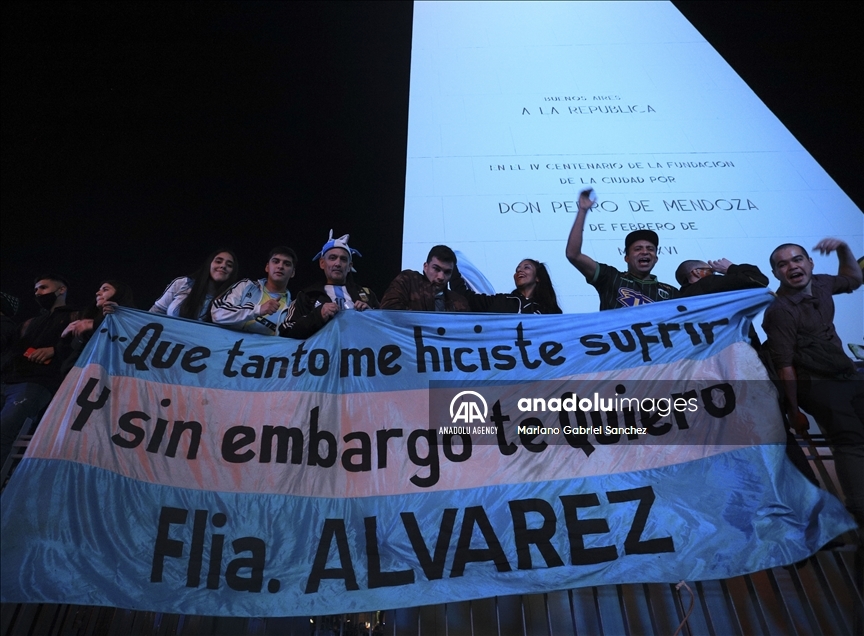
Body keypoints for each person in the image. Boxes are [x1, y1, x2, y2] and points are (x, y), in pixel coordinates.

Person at [762, 238, 863, 526]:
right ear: (776, 274)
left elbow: (854, 279)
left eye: (797, 259)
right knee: (850, 442)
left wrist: (844, 248)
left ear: (810, 263)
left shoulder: (822, 283)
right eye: (782, 264)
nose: (792, 266)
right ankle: (859, 509)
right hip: (816, 384)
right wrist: (794, 411)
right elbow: (785, 366)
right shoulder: (780, 310)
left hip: (846, 375)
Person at [0, 275, 78, 467]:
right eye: (36, 289)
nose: (38, 293)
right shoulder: (29, 323)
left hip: (37, 384)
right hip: (8, 381)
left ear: (61, 290)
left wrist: (56, 349)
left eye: (43, 288)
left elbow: (85, 346)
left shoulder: (75, 317)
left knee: (4, 432)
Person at [565, 189, 677, 310]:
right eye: (638, 249)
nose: (645, 252)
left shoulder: (672, 293)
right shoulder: (611, 277)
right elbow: (573, 255)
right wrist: (582, 211)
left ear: (656, 259)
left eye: (650, 249)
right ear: (627, 258)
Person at [280, 231, 379, 339]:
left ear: (350, 266)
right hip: (322, 355)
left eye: (343, 259)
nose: (338, 263)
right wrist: (318, 315)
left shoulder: (367, 295)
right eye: (332, 258)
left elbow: (388, 328)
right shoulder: (307, 296)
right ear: (322, 263)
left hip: (360, 353)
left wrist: (370, 316)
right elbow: (286, 330)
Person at [211, 246, 296, 335]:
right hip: (228, 347)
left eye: (287, 264)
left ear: (293, 273)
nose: (280, 266)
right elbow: (217, 314)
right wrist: (258, 309)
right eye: (276, 261)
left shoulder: (291, 308)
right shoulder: (246, 285)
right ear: (267, 267)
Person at [60, 280, 135, 374]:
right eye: (99, 290)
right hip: (75, 377)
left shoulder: (129, 320)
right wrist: (64, 338)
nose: (97, 293)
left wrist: (117, 316)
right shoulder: (86, 320)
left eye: (105, 289)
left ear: (120, 294)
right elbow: (69, 354)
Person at [150, 249, 238, 321]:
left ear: (232, 272)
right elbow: (155, 313)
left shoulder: (233, 299)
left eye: (229, 265)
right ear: (209, 264)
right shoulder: (182, 283)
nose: (223, 266)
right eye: (218, 261)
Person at [450, 259, 563, 314]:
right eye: (517, 269)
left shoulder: (550, 311)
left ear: (537, 277)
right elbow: (465, 297)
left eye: (526, 267)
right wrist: (451, 266)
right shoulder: (500, 301)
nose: (519, 270)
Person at [380, 245, 470, 312]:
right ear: (425, 267)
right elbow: (388, 310)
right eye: (436, 269)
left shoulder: (459, 301)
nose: (441, 277)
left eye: (447, 272)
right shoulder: (408, 281)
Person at [675, 258, 768, 297]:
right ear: (697, 272)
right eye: (711, 271)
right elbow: (758, 280)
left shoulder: (680, 296)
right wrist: (730, 268)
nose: (714, 274)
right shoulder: (709, 283)